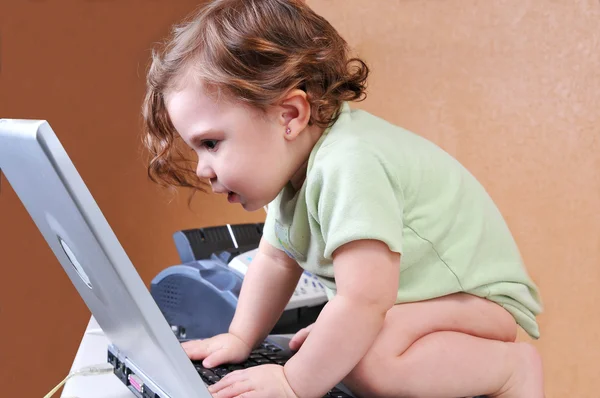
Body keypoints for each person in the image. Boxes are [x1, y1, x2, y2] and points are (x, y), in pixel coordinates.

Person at [141, 0, 544, 397]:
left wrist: (292, 382)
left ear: (290, 116)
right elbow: (274, 260)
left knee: (365, 360)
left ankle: (513, 371)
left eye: (211, 143)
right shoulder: (293, 177)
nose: (201, 168)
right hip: (421, 305)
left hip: (476, 303)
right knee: (338, 346)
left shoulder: (348, 163)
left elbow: (365, 299)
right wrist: (239, 338)